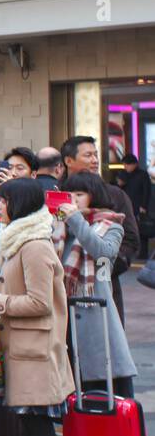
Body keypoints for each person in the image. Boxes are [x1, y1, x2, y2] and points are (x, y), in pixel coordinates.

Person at [0, 178, 73, 436]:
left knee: (36, 428)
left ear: (20, 204)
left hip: (35, 353)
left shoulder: (34, 246)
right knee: (28, 427)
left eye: (4, 200)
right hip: (23, 351)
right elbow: (14, 285)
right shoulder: (16, 239)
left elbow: (40, 302)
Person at [56, 171, 137, 400]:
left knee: (106, 397)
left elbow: (103, 254)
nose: (72, 199)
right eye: (68, 194)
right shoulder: (59, 230)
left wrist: (75, 220)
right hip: (64, 323)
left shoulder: (111, 226)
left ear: (94, 196)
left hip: (96, 323)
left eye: (79, 194)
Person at [61, 134, 139, 321]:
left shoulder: (113, 195)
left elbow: (130, 241)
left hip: (100, 289)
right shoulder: (57, 194)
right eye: (88, 155)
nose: (95, 160)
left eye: (96, 155)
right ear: (68, 161)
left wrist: (103, 268)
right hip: (61, 291)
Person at [116, 154, 151, 259]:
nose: (125, 167)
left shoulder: (143, 175)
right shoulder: (124, 174)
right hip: (126, 207)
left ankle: (142, 253)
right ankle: (128, 252)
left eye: (127, 165)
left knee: (141, 231)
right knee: (127, 230)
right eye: (124, 165)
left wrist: (144, 206)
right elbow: (118, 188)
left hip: (138, 207)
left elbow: (147, 191)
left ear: (134, 164)